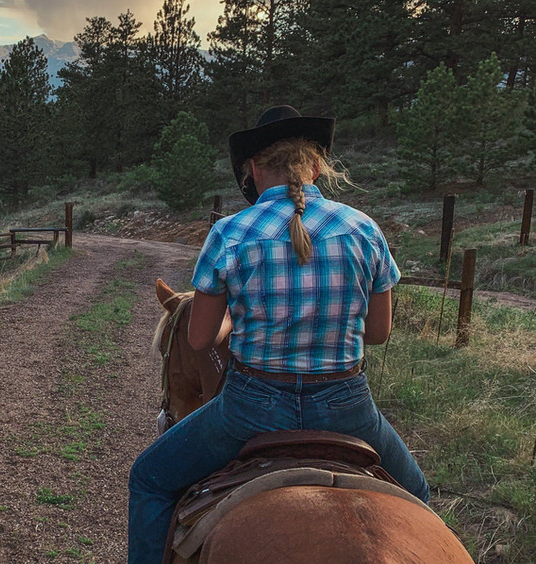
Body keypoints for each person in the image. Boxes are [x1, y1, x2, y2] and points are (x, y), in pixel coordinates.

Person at [128, 106, 429, 563]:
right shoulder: (363, 229)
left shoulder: (230, 233)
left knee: (148, 480)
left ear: (253, 169)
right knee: (419, 492)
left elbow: (198, 339)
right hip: (347, 407)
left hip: (250, 409)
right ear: (316, 165)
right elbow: (379, 332)